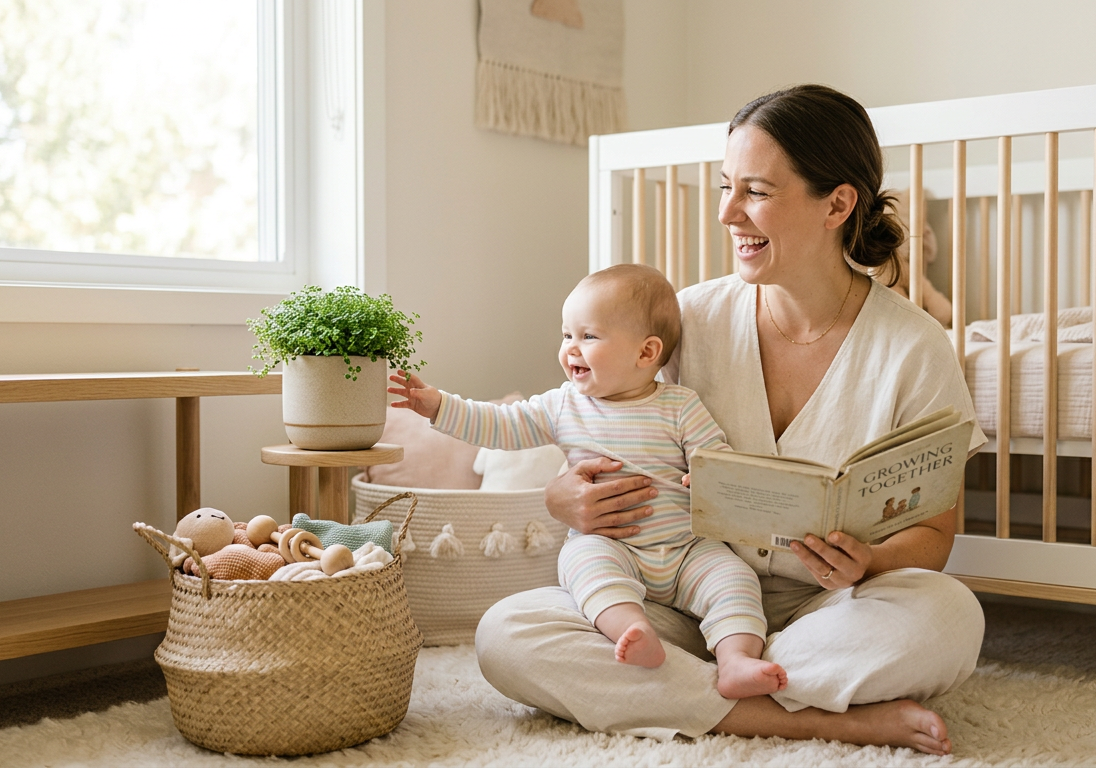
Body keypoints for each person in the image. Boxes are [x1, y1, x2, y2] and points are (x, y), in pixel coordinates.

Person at [474, 84, 987, 755]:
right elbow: (593, 423)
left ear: (837, 203)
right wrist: (562, 497)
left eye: (756, 192)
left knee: (949, 618)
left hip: (831, 610)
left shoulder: (914, 347)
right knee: (509, 634)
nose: (727, 213)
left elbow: (934, 535)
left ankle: (704, 691)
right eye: (725, 187)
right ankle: (816, 717)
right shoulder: (686, 321)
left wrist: (869, 561)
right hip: (686, 593)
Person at [388, 263, 789, 699]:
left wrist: (708, 474)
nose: (570, 349)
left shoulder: (679, 405)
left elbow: (714, 455)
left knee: (733, 578)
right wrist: (439, 407)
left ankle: (735, 660)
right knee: (583, 561)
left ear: (645, 352)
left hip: (687, 548)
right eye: (566, 335)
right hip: (611, 545)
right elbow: (500, 424)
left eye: (588, 336)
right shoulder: (563, 406)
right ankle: (633, 631)